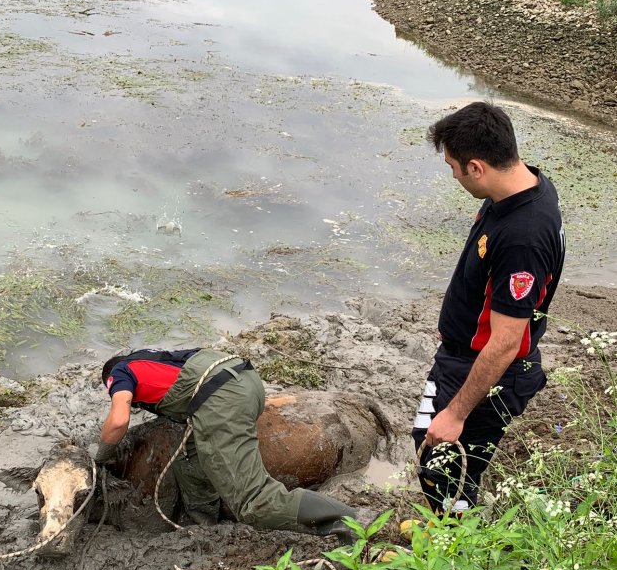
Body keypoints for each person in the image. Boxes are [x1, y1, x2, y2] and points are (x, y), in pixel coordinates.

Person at [412, 101, 565, 514]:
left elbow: (505, 342)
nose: (454, 176)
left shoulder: (523, 237)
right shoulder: (517, 188)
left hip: (486, 369)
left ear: (476, 167)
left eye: (453, 167)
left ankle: (454, 541)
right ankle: (444, 525)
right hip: (458, 356)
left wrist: (457, 412)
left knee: (446, 466)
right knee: (427, 441)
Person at [95, 347, 358, 538]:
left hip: (221, 400)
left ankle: (348, 522)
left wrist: (101, 456)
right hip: (247, 380)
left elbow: (119, 420)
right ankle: (204, 525)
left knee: (254, 503)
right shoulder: (156, 359)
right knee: (187, 461)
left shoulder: (118, 372)